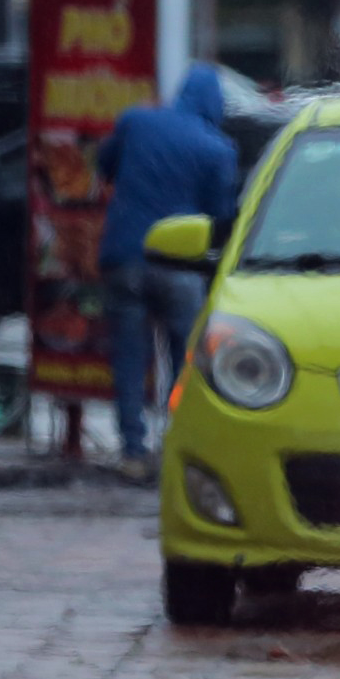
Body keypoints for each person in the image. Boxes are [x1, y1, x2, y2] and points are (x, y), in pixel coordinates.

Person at [97, 65, 239, 477]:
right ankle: (176, 448)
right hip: (180, 267)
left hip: (125, 257)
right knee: (186, 361)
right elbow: (221, 218)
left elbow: (104, 166)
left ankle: (132, 453)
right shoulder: (218, 149)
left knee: (129, 357)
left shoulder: (137, 121)